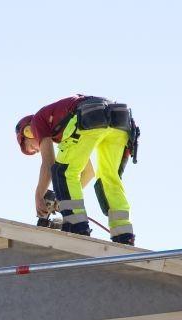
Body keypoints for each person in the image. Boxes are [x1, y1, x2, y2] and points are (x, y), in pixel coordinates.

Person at [16, 95, 137, 245]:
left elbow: (49, 163)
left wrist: (38, 196)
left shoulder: (36, 122)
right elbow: (88, 173)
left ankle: (77, 227)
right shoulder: (66, 131)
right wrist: (62, 199)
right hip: (119, 121)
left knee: (62, 172)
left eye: (31, 147)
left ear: (27, 132)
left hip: (88, 117)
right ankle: (124, 235)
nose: (37, 150)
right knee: (108, 178)